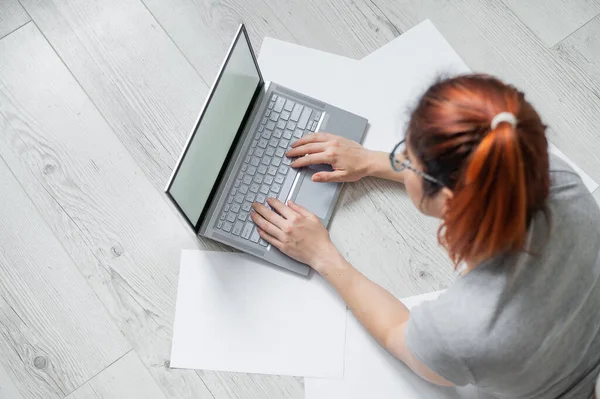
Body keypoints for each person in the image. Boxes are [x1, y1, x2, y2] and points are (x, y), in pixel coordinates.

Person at [251, 74, 600, 398]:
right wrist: (369, 160)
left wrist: (322, 255)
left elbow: (396, 332)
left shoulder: (464, 328)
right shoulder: (553, 176)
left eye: (407, 157)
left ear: (449, 201)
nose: (399, 159)